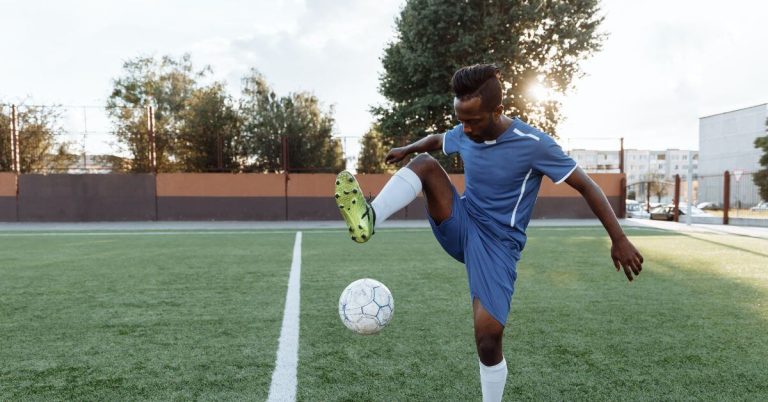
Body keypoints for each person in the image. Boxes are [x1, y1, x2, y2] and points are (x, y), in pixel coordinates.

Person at [334, 64, 643, 402]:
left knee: (488, 338)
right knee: (424, 164)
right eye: (461, 120)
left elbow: (585, 185)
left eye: (473, 121)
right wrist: (409, 149)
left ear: (497, 110)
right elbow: (439, 140)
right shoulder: (467, 131)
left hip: (499, 246)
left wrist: (619, 238)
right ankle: (370, 217)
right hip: (462, 221)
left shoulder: (534, 144)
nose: (464, 129)